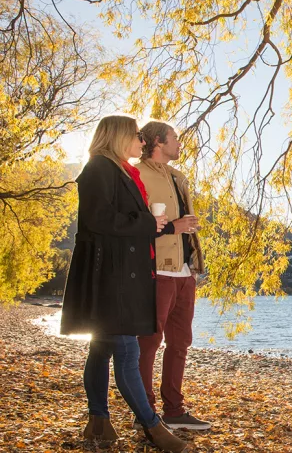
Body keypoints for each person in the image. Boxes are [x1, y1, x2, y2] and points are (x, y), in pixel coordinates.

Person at [60, 115, 187, 452]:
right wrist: (148, 221)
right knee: (128, 350)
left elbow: (118, 221)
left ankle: (98, 421)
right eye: (136, 136)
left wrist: (154, 224)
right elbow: (98, 219)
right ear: (118, 136)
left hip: (118, 272)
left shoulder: (118, 170)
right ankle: (152, 426)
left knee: (101, 349)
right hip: (109, 275)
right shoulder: (99, 168)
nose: (142, 141)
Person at [135, 120, 210, 430]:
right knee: (149, 341)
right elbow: (134, 223)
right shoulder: (137, 174)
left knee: (180, 342)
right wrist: (173, 227)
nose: (179, 143)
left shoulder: (179, 177)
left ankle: (175, 411)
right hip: (157, 268)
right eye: (175, 138)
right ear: (158, 141)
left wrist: (194, 261)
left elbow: (183, 224)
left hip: (184, 271)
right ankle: (144, 413)